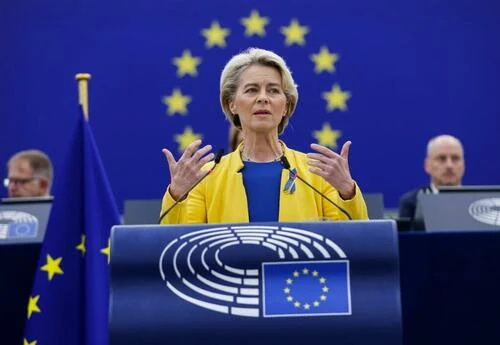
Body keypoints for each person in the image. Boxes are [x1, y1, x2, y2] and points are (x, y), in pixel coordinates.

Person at [160, 47, 368, 224]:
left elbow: (354, 247)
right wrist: (177, 195)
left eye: (273, 91)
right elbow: (177, 251)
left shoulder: (318, 173)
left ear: (286, 105)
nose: (262, 98)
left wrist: (347, 192)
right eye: (251, 90)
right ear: (231, 103)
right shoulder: (205, 177)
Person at [398, 134, 465, 220]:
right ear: (427, 165)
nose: (449, 165)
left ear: (463, 165)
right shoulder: (412, 203)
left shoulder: (477, 201)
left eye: (455, 158)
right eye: (441, 158)